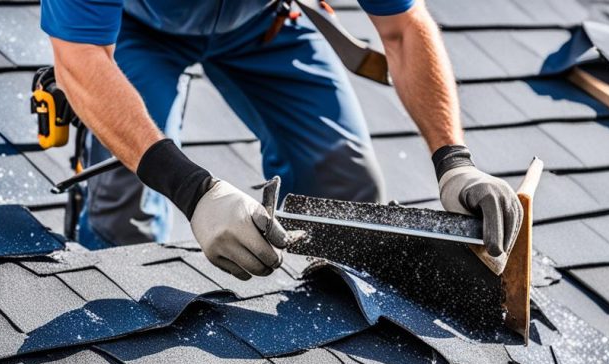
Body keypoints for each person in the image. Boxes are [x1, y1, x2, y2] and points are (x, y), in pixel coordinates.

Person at [41, 0, 522, 280]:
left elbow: (402, 29)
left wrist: (454, 161)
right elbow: (80, 58)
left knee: (342, 181)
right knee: (126, 210)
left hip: (261, 19)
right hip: (137, 27)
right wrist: (193, 191)